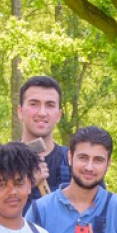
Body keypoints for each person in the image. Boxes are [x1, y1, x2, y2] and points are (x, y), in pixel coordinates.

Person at [17, 75, 72, 203]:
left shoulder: (76, 162)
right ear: (20, 111)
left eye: (50, 105)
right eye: (34, 104)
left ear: (59, 115)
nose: (42, 113)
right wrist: (27, 185)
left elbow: (99, 213)